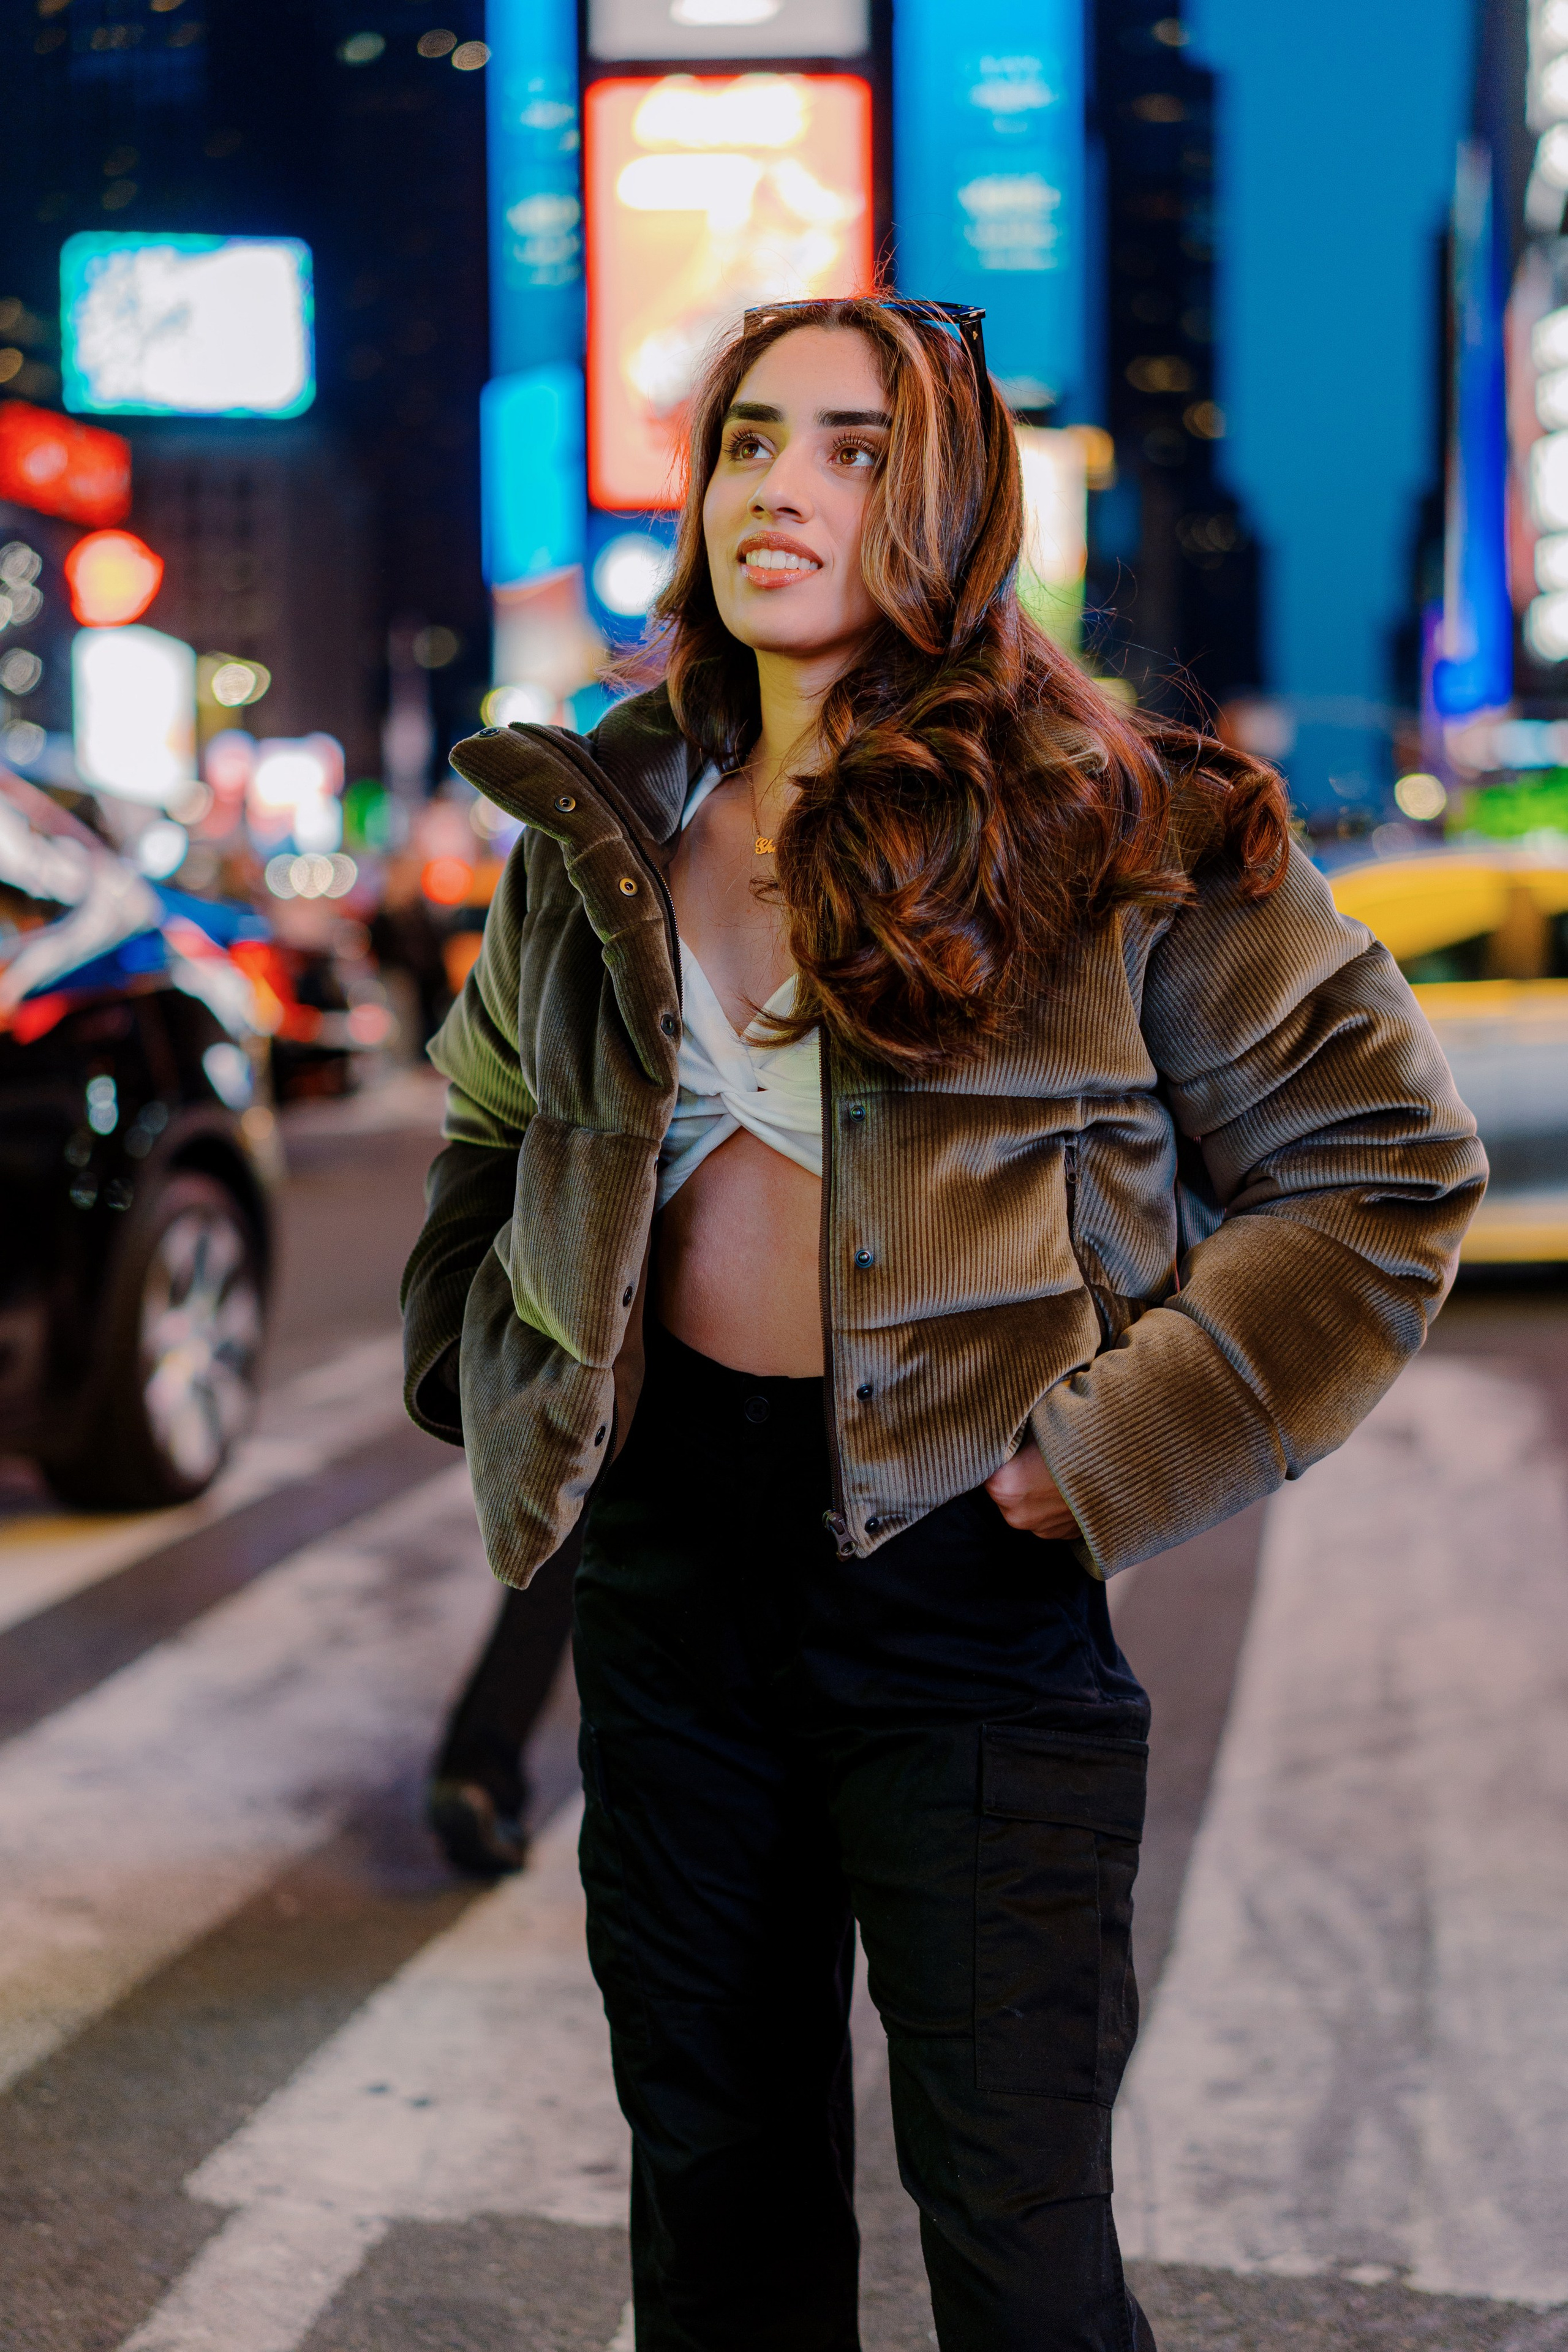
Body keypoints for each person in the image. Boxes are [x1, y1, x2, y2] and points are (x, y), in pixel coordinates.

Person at [401, 295, 1483, 2352]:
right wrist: (499, 1361)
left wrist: (1100, 1462)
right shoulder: (601, 832)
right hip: (668, 1583)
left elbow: (1381, 1179)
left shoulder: (1123, 828)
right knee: (717, 2220)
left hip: (970, 1584)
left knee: (1022, 2254)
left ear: (954, 504)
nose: (777, 491)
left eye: (851, 450)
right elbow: (493, 1113)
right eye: (745, 442)